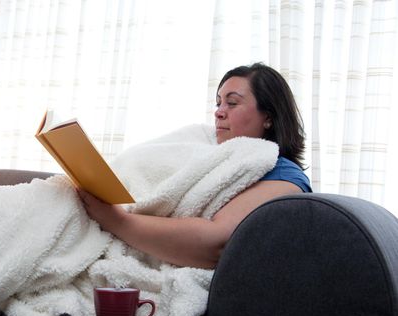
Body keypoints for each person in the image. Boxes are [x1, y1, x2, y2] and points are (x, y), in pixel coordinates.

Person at [78, 62, 311, 269]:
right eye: (219, 103)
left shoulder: (284, 177)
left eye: (232, 103)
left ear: (268, 117)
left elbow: (217, 242)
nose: (219, 112)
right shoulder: (204, 150)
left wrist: (117, 220)